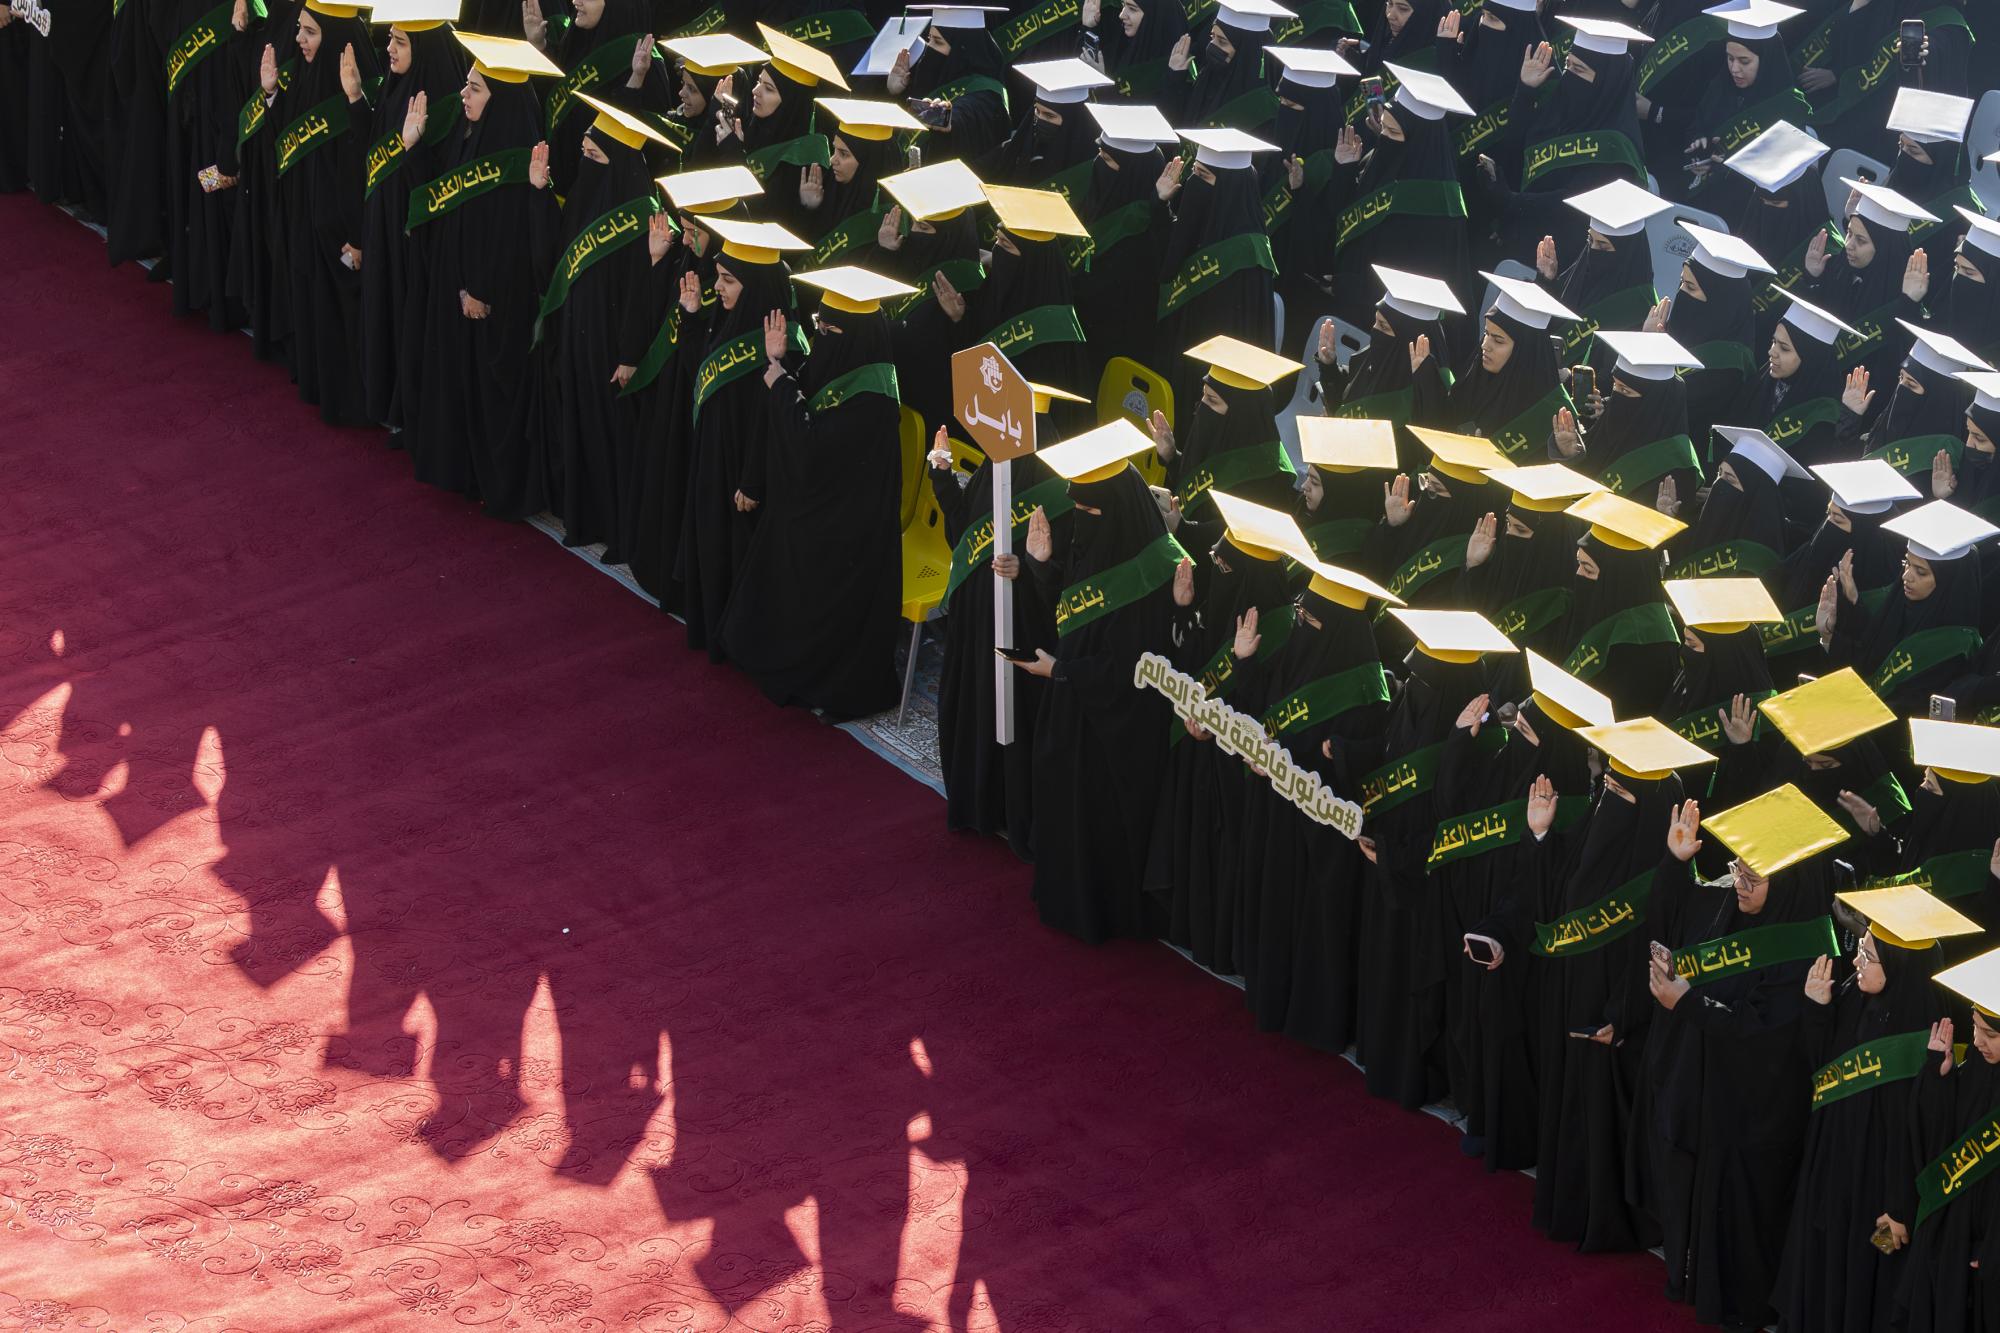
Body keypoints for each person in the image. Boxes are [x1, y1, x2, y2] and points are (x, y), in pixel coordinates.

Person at [1642, 786, 1843, 1327]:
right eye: (1737, 870)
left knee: (1751, 1217)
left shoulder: (1808, 948)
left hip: (1763, 1112)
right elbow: (1671, 920)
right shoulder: (1730, 903)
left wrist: (1688, 1003)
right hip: (1716, 1096)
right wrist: (1677, 863)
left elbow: (1762, 1028)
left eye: (1754, 877)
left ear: (1788, 881)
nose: (1739, 885)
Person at [1016, 420, 1193, 944]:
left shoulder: (1158, 568)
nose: (1084, 521)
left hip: (1119, 728)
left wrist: (1062, 671)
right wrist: (1042, 568)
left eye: (1092, 512)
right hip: (1074, 703)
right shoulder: (1095, 537)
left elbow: (1132, 669)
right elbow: (1074, 615)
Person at [1529, 711, 1685, 1252]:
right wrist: (1541, 834)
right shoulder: (1595, 834)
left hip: (1620, 1024)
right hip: (1573, 1000)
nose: (1608, 798)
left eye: (1621, 792)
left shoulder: (1664, 873)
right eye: (1608, 787)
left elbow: (1661, 950)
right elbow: (1554, 896)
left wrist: (1623, 1014)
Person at [718, 266, 903, 717]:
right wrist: (780, 364)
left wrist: (781, 385)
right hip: (817, 507)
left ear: (858, 337)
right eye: (819, 326)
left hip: (847, 530)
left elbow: (812, 448)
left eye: (831, 331)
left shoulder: (875, 397)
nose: (822, 337)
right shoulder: (837, 361)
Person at [1772, 890, 1955, 1333]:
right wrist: (1817, 1010)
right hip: (1831, 1166)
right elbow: (1820, 1071)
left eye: (1868, 956)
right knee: (1822, 1261)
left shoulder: (1927, 1036)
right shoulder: (1853, 996)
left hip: (1881, 1194)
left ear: (1898, 965)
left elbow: (1920, 1135)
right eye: (1860, 949)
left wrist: (1900, 1207)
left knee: (1871, 1267)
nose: (1855, 961)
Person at [404, 33, 558, 515]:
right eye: (467, 85)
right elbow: (444, 205)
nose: (463, 95)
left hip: (493, 306)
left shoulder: (518, 161)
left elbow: (514, 245)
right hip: (459, 294)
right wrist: (413, 148)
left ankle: (503, 488)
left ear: (500, 100)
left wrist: (480, 290)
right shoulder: (467, 137)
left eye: (474, 88)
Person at [678, 215, 808, 657]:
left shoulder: (786, 345)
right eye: (718, 276)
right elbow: (701, 376)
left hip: (748, 479)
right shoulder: (727, 318)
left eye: (729, 280)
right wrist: (692, 319)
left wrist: (751, 480)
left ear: (755, 286)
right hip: (715, 461)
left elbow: (773, 424)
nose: (718, 287)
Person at [266, 0, 379, 427]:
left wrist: (354, 101)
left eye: (310, 32)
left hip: (343, 231)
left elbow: (364, 162)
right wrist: (272, 96)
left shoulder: (361, 88)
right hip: (306, 219)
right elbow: (290, 145)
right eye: (299, 29)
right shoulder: (307, 74)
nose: (299, 39)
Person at [356, 0, 467, 430]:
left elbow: (441, 184)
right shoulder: (394, 87)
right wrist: (354, 99)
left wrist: (414, 148)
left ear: (423, 49)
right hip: (382, 224)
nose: (389, 49)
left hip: (414, 239)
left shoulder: (447, 103)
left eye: (400, 42)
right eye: (390, 39)